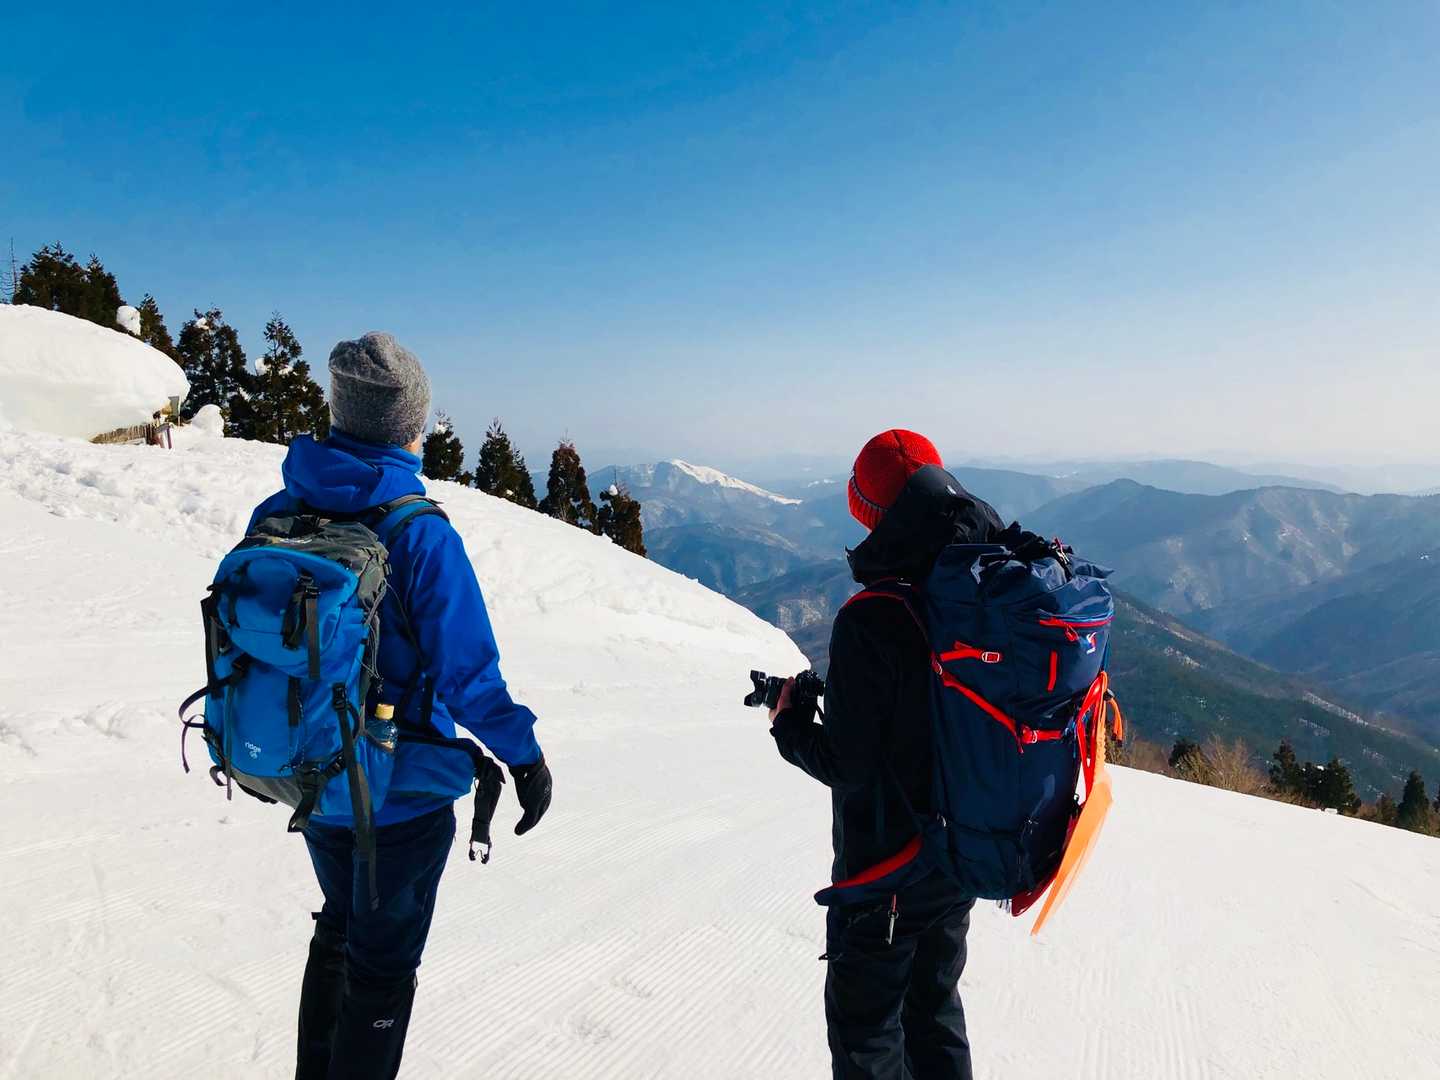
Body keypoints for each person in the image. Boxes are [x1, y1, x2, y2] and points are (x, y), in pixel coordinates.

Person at [244, 332, 554, 1080]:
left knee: (339, 931)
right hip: (401, 793)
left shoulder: (280, 510)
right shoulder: (419, 534)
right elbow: (469, 677)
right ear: (408, 425)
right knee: (381, 968)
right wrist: (526, 758)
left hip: (311, 772)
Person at [769, 429, 1005, 1080]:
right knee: (934, 1013)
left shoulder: (873, 617)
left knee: (868, 1037)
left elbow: (848, 764)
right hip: (962, 856)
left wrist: (790, 727)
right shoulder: (982, 591)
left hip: (885, 875)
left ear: (869, 512)